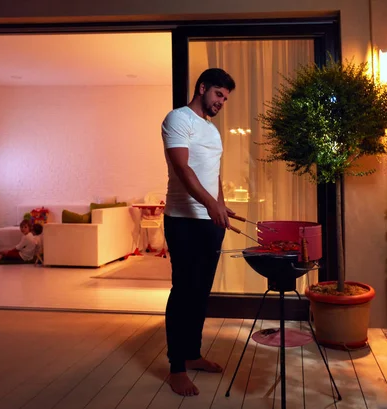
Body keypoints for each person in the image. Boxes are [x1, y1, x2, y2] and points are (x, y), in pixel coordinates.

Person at [161, 68, 236, 396]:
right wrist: (209, 205)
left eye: (225, 98)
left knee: (201, 292)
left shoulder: (213, 131)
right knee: (184, 291)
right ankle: (176, 367)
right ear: (202, 88)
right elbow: (182, 167)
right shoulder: (178, 119)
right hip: (183, 220)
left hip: (208, 222)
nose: (221, 102)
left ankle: (192, 354)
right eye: (218, 94)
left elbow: (213, 174)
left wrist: (220, 205)